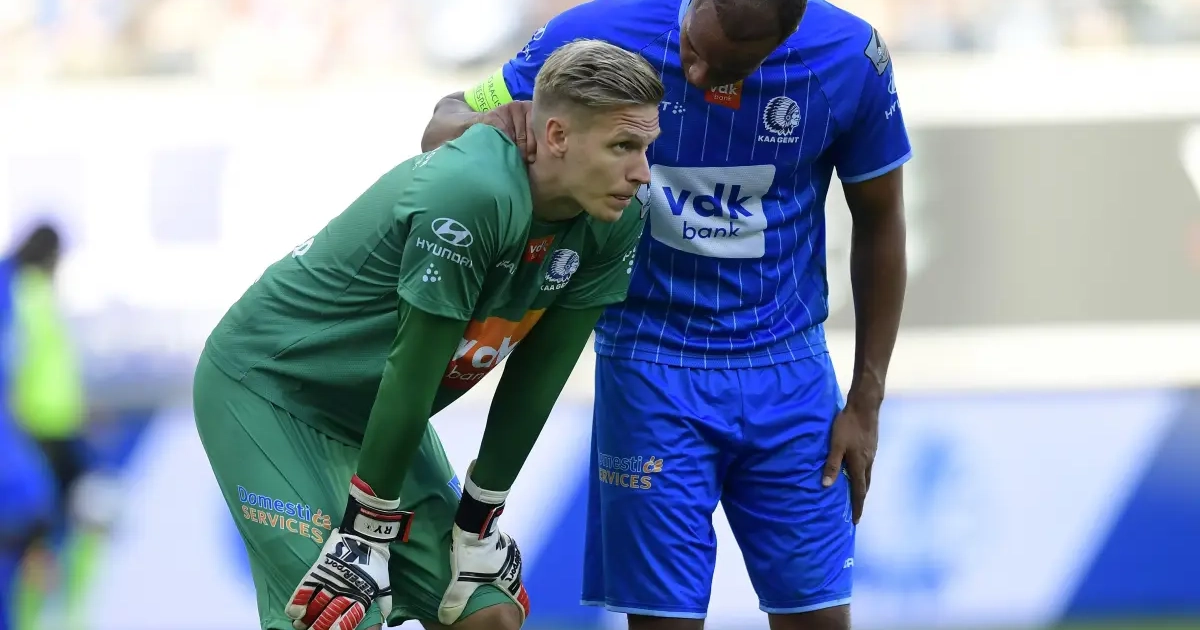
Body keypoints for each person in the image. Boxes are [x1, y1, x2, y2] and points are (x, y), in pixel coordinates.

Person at [422, 0, 911, 629]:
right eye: (691, 51)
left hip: (789, 371)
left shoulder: (848, 56)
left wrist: (866, 403)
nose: (698, 76)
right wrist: (493, 125)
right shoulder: (597, 32)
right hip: (648, 366)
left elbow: (881, 218)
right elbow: (443, 122)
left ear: (788, 34)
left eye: (726, 67)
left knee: (819, 620)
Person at [194, 38, 663, 630]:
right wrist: (366, 531)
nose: (641, 172)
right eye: (623, 146)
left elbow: (539, 376)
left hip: (374, 412)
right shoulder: (474, 193)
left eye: (646, 147)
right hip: (269, 391)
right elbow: (412, 371)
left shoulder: (617, 217)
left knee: (489, 616)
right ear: (557, 136)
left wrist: (480, 519)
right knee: (339, 618)